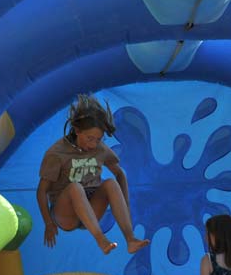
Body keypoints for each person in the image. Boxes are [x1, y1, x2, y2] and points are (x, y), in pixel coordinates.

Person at [37, 93, 150, 255]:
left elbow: (120, 175)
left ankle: (130, 238)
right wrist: (48, 222)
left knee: (110, 182)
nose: (94, 144)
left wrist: (125, 206)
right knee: (75, 187)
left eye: (98, 139)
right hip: (66, 213)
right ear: (77, 131)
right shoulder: (57, 153)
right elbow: (42, 190)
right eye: (90, 138)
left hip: (91, 210)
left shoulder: (100, 149)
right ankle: (100, 239)